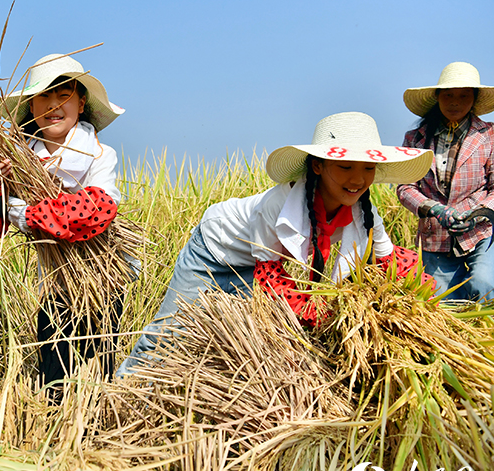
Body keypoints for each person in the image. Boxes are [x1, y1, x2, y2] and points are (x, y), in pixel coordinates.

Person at [117, 112, 434, 376]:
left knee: (235, 346)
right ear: (318, 165)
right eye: (346, 166)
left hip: (258, 265)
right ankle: (118, 395)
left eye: (367, 168)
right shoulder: (279, 203)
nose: (358, 179)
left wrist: (421, 303)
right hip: (214, 251)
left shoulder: (365, 213)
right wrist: (323, 314)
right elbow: (271, 280)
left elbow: (391, 262)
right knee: (170, 332)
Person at [0, 53, 126, 399]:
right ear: (31, 106)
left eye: (63, 94)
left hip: (100, 283)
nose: (54, 104)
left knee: (98, 373)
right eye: (44, 96)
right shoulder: (17, 160)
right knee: (54, 376)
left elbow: (98, 208)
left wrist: (30, 216)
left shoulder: (99, 155)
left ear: (81, 104)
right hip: (53, 286)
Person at [396, 62, 494, 300]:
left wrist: (477, 212)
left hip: (480, 231)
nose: (455, 102)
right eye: (448, 95)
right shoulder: (416, 139)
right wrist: (435, 209)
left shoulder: (488, 135)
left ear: (474, 99)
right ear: (438, 97)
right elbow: (405, 186)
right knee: (444, 303)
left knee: (483, 283)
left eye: (463, 96)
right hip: (436, 235)